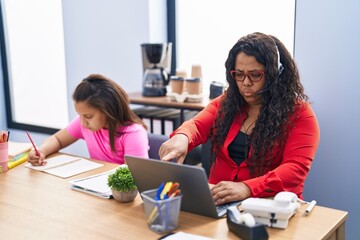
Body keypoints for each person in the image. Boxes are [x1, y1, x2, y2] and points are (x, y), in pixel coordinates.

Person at [159, 32, 320, 205]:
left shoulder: (300, 114)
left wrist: (247, 188)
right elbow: (196, 125)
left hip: (270, 207)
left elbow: (295, 169)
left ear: (276, 75)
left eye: (255, 75)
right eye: (239, 74)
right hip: (218, 204)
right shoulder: (227, 103)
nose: (246, 83)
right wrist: (182, 137)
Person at [27, 74, 149, 166]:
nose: (83, 122)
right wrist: (42, 150)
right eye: (80, 115)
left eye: (88, 116)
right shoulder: (84, 123)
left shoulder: (133, 134)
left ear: (108, 110)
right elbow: (57, 139)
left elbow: (134, 177)